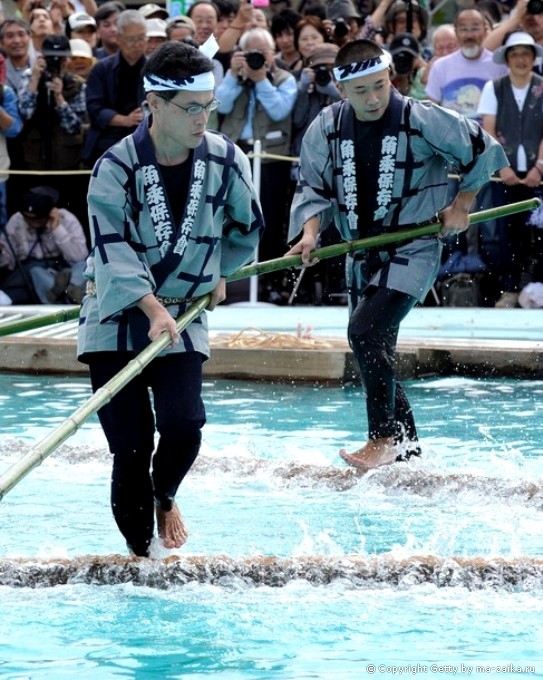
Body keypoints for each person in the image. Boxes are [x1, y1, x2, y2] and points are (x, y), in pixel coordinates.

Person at [76, 40, 264, 557]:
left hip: (183, 310)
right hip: (114, 311)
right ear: (154, 105)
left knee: (185, 423)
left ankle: (166, 495)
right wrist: (150, 306)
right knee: (131, 447)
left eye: (209, 105)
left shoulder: (227, 158)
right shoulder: (114, 166)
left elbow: (248, 228)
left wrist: (219, 269)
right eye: (190, 108)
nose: (203, 117)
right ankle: (141, 558)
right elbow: (110, 244)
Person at [287, 39, 507, 471]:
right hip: (359, 253)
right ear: (340, 88)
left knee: (365, 334)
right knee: (376, 346)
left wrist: (462, 205)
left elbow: (483, 149)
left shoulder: (421, 117)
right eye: (361, 90)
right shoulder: (326, 127)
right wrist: (310, 234)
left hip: (415, 246)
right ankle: (407, 456)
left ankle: (383, 438)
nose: (372, 98)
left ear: (391, 78)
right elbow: (312, 187)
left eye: (379, 86)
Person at [477, 30, 543, 307]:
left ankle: (533, 285)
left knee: (536, 233)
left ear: (532, 58)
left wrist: (539, 166)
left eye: (525, 54)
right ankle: (509, 287)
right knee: (501, 233)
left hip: (536, 172)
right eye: (515, 54)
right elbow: (487, 130)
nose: (520, 59)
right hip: (503, 174)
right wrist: (502, 167)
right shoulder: (495, 87)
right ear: (507, 59)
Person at [0, 185, 88, 304]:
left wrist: (57, 229)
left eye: (38, 220)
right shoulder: (16, 221)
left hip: (65, 270)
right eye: (28, 219)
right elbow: (8, 263)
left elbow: (79, 257)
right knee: (34, 271)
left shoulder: (66, 218)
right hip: (34, 273)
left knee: (83, 266)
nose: (33, 223)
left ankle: (70, 290)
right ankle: (58, 293)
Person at [83, 9, 147, 166]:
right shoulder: (101, 69)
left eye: (142, 38)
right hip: (108, 139)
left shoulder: (155, 69)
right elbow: (95, 108)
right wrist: (125, 120)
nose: (138, 45)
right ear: (118, 38)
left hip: (145, 139)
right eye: (131, 40)